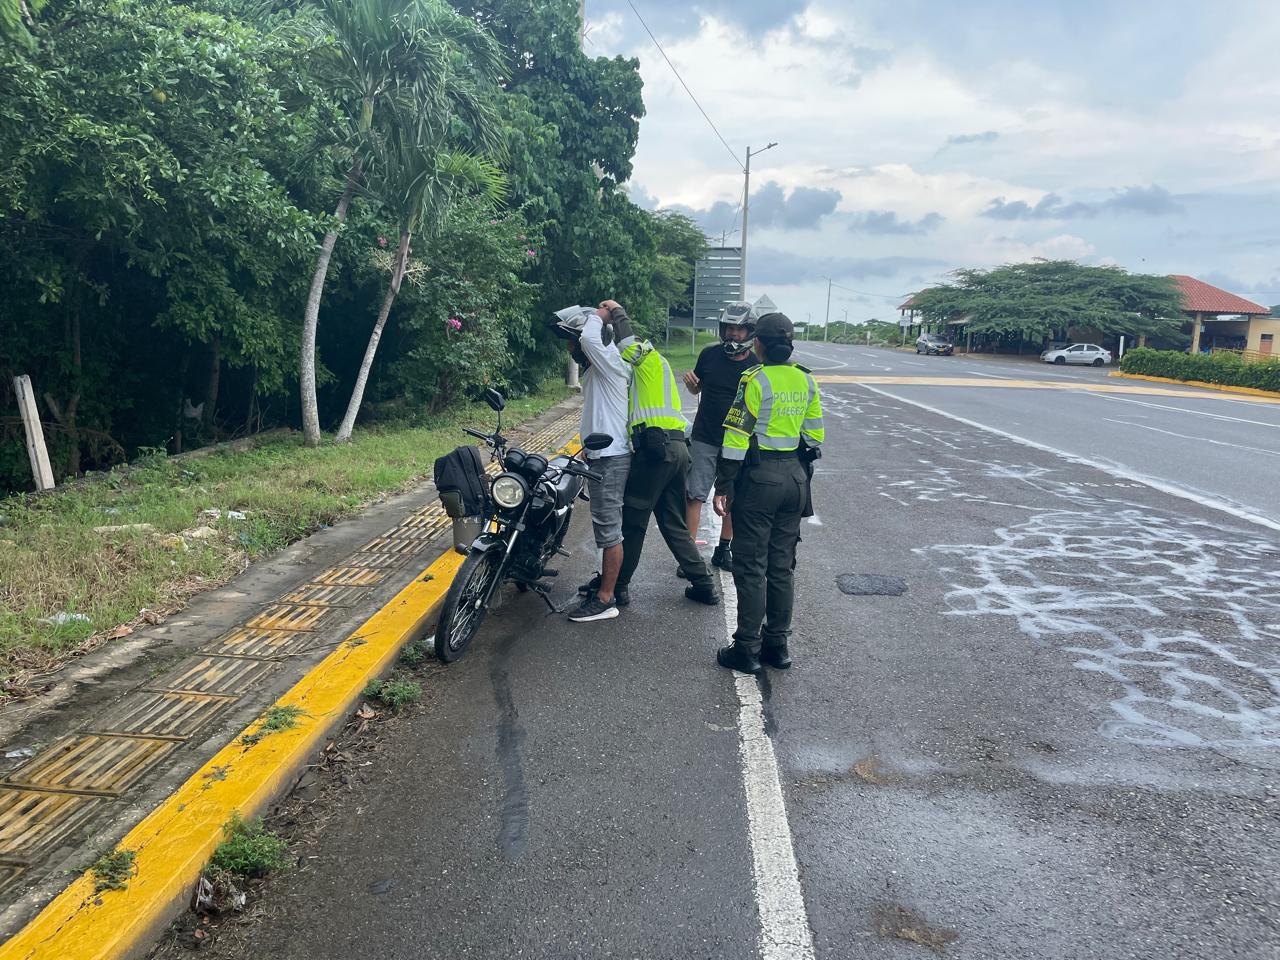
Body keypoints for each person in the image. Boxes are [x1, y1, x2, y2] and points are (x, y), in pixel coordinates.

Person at [712, 312, 824, 674]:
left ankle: (746, 647)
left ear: (757, 343)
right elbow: (814, 436)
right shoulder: (805, 379)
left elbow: (735, 438)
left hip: (759, 480)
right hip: (795, 479)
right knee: (781, 565)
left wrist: (724, 485)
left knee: (750, 565)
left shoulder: (754, 379)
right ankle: (777, 645)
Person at [599, 299, 720, 607]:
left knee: (633, 521)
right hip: (676, 450)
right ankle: (704, 583)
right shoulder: (658, 370)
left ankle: (618, 586)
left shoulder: (646, 358)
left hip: (655, 450)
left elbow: (627, 343)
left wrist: (616, 312)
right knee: (673, 523)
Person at [551, 304, 632, 623]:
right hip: (600, 455)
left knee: (609, 531)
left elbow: (589, 339)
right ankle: (606, 587)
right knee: (606, 527)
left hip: (611, 459)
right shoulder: (599, 369)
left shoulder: (609, 361)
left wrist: (599, 315)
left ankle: (605, 599)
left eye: (572, 342)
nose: (571, 348)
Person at [681, 301, 758, 573]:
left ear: (750, 331)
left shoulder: (756, 364)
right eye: (729, 328)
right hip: (705, 436)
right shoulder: (709, 355)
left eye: (739, 329)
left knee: (733, 498)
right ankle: (689, 557)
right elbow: (699, 388)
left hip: (738, 441)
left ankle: (724, 549)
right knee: (695, 495)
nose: (733, 334)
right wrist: (692, 387)